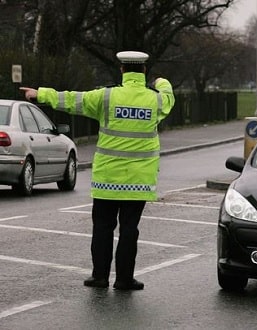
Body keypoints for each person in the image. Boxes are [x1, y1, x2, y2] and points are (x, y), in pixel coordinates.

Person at [20, 51, 175, 290]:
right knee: (129, 230)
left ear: (122, 70)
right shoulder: (155, 100)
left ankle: (100, 277)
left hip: (107, 180)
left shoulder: (106, 97)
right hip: (139, 181)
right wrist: (161, 81)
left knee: (102, 227)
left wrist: (40, 94)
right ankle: (124, 279)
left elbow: (71, 100)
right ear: (143, 72)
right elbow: (168, 96)